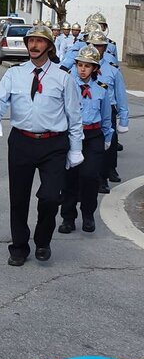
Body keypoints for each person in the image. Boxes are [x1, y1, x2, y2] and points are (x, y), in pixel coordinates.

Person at [0, 23, 83, 266]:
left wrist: (76, 147)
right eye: (31, 41)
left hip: (53, 143)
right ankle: (19, 246)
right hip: (22, 141)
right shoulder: (14, 73)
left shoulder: (63, 77)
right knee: (18, 198)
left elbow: (74, 115)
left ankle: (43, 240)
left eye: (40, 41)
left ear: (49, 46)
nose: (34, 45)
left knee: (50, 198)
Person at [57, 45, 112, 235]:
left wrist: (108, 137)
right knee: (70, 177)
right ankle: (68, 217)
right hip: (73, 134)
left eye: (87, 66)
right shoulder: (68, 86)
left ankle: (88, 214)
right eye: (80, 65)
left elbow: (106, 116)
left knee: (89, 176)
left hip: (93, 136)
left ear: (95, 69)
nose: (82, 69)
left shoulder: (102, 90)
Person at [83, 30, 129, 192]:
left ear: (104, 47)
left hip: (107, 109)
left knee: (107, 146)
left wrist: (124, 119)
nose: (96, 49)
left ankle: (103, 177)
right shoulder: (79, 68)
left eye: (99, 46)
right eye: (93, 45)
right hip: (86, 110)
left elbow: (121, 95)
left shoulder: (112, 70)